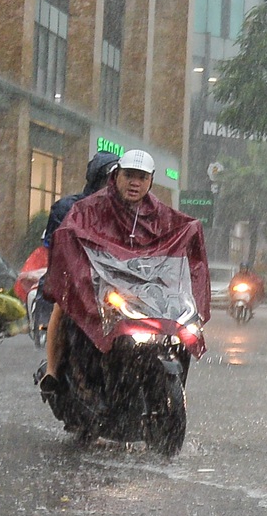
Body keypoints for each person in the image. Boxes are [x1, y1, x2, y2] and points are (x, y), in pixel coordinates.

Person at [40, 149, 208, 395]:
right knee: (65, 311)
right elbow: (65, 239)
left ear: (151, 180)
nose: (135, 183)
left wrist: (193, 235)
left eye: (142, 177)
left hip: (143, 292)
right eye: (129, 176)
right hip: (94, 285)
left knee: (182, 333)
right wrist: (77, 269)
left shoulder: (159, 214)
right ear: (115, 176)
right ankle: (53, 373)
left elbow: (179, 231)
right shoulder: (86, 209)